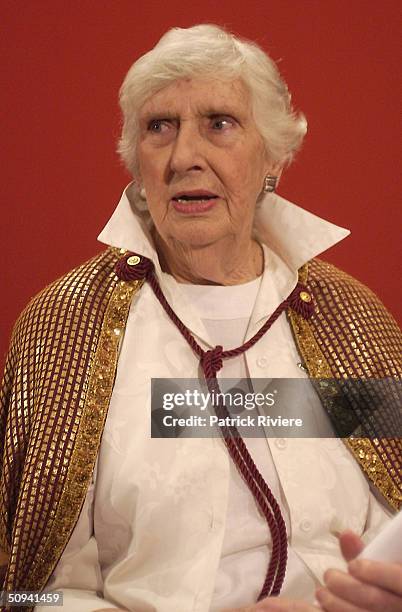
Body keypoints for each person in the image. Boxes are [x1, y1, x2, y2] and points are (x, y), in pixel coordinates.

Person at [0, 24, 401, 612]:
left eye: (219, 123)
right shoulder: (66, 328)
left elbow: (392, 537)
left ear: (273, 157)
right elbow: (30, 592)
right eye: (160, 127)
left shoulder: (349, 319)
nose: (186, 156)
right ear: (136, 161)